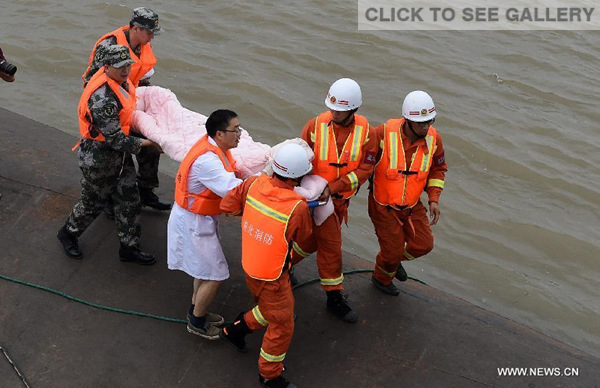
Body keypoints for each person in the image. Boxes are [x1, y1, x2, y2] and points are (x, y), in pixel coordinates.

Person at [219, 143, 313, 388]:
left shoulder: (253, 184)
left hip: (251, 265)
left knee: (270, 308)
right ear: (300, 175)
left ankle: (236, 331)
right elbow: (304, 237)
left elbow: (227, 206)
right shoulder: (297, 206)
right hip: (273, 276)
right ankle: (269, 374)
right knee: (282, 322)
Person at [57, 45, 161, 264]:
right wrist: (151, 142)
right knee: (92, 203)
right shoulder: (103, 99)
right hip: (100, 159)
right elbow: (117, 140)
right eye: (120, 67)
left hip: (119, 158)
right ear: (106, 67)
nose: (125, 71)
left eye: (127, 65)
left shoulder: (121, 82)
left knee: (130, 201)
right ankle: (68, 233)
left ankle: (129, 247)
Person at [294, 78, 377, 323]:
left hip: (338, 199)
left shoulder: (366, 133)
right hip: (314, 198)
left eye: (339, 111)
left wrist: (335, 187)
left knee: (310, 241)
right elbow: (300, 156)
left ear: (353, 110)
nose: (334, 113)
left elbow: (366, 168)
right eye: (332, 108)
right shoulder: (315, 125)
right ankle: (334, 296)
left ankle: (284, 266)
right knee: (331, 245)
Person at [83, 7, 170, 214]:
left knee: (150, 142)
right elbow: (95, 82)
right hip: (110, 105)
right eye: (149, 33)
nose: (152, 38)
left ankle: (146, 190)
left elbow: (143, 77)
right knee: (116, 154)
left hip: (131, 100)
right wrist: (114, 108)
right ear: (137, 28)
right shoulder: (110, 45)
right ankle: (106, 199)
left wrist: (151, 105)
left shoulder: (142, 45)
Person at [167, 109, 243, 339]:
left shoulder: (212, 147)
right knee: (216, 274)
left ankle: (196, 309)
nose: (239, 134)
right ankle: (197, 322)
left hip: (197, 218)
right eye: (235, 130)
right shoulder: (208, 161)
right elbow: (234, 191)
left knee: (203, 268)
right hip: (194, 222)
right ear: (220, 134)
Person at [368, 91, 447, 296]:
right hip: (383, 206)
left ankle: (391, 261)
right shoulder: (383, 133)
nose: (426, 126)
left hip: (412, 206)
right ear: (408, 120)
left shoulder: (434, 139)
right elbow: (363, 160)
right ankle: (381, 278)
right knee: (391, 251)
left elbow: (438, 170)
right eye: (421, 123)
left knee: (424, 244)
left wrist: (434, 198)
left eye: (429, 121)